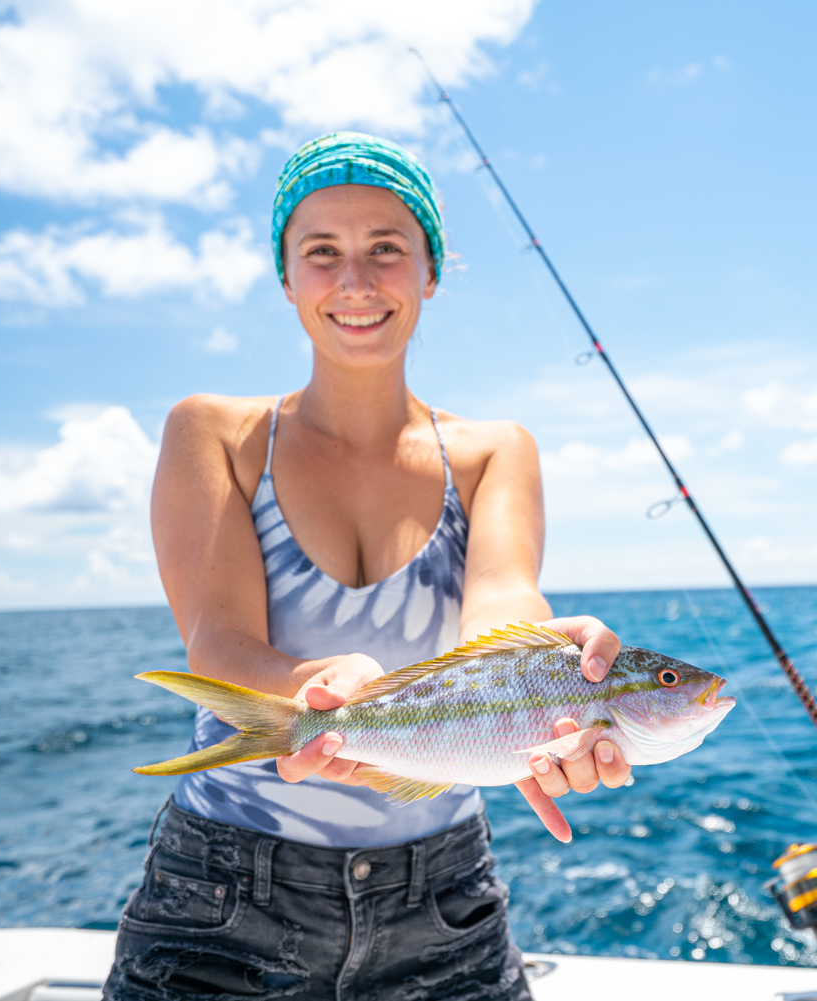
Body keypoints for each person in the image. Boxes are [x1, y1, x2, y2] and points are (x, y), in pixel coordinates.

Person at [103, 133, 632, 1001]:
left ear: (431, 271)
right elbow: (218, 642)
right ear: (286, 277)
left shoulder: (495, 450)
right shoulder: (213, 433)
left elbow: (502, 601)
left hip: (444, 900)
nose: (355, 280)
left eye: (386, 248)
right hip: (222, 894)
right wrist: (310, 684)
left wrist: (543, 663)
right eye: (322, 252)